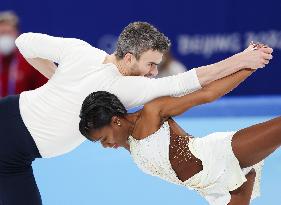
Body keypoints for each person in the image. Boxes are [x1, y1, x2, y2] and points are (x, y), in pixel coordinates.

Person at [0, 21, 272, 205]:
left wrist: (57, 79)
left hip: (15, 160)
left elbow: (25, 42)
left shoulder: (80, 50)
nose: (154, 72)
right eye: (151, 64)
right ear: (129, 58)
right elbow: (190, 82)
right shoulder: (127, 89)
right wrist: (243, 60)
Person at [78, 44, 276, 205]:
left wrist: (251, 65)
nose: (105, 145)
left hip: (220, 154)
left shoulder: (152, 112)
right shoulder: (126, 140)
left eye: (104, 138)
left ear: (116, 121)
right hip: (213, 189)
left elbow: (207, 94)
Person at [0, 11, 47, 98]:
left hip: (23, 110)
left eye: (9, 32)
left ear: (17, 34)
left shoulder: (31, 61)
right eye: (2, 33)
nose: (5, 37)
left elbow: (45, 93)